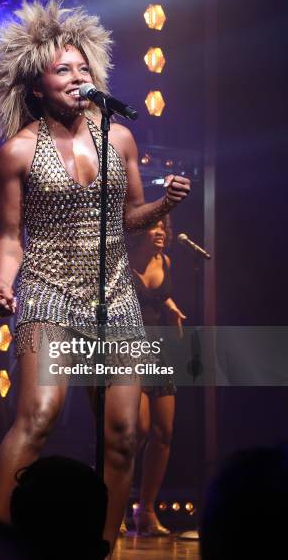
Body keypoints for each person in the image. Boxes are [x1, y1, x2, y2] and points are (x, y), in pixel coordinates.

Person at [0, 0, 190, 552]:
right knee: (39, 414)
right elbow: (9, 235)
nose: (77, 78)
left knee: (125, 433)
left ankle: (100, 545)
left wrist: (166, 205)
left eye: (83, 69)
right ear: (36, 86)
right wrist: (4, 284)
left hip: (116, 298)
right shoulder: (17, 151)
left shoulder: (118, 138)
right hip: (47, 291)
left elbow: (130, 219)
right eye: (63, 70)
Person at [128, 217, 186, 536]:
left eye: (164, 226)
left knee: (163, 431)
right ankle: (113, 501)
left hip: (156, 348)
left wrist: (171, 305)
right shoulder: (122, 262)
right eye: (155, 226)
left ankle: (146, 510)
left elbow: (157, 295)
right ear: (139, 231)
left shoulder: (164, 260)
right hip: (126, 346)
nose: (161, 231)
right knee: (137, 429)